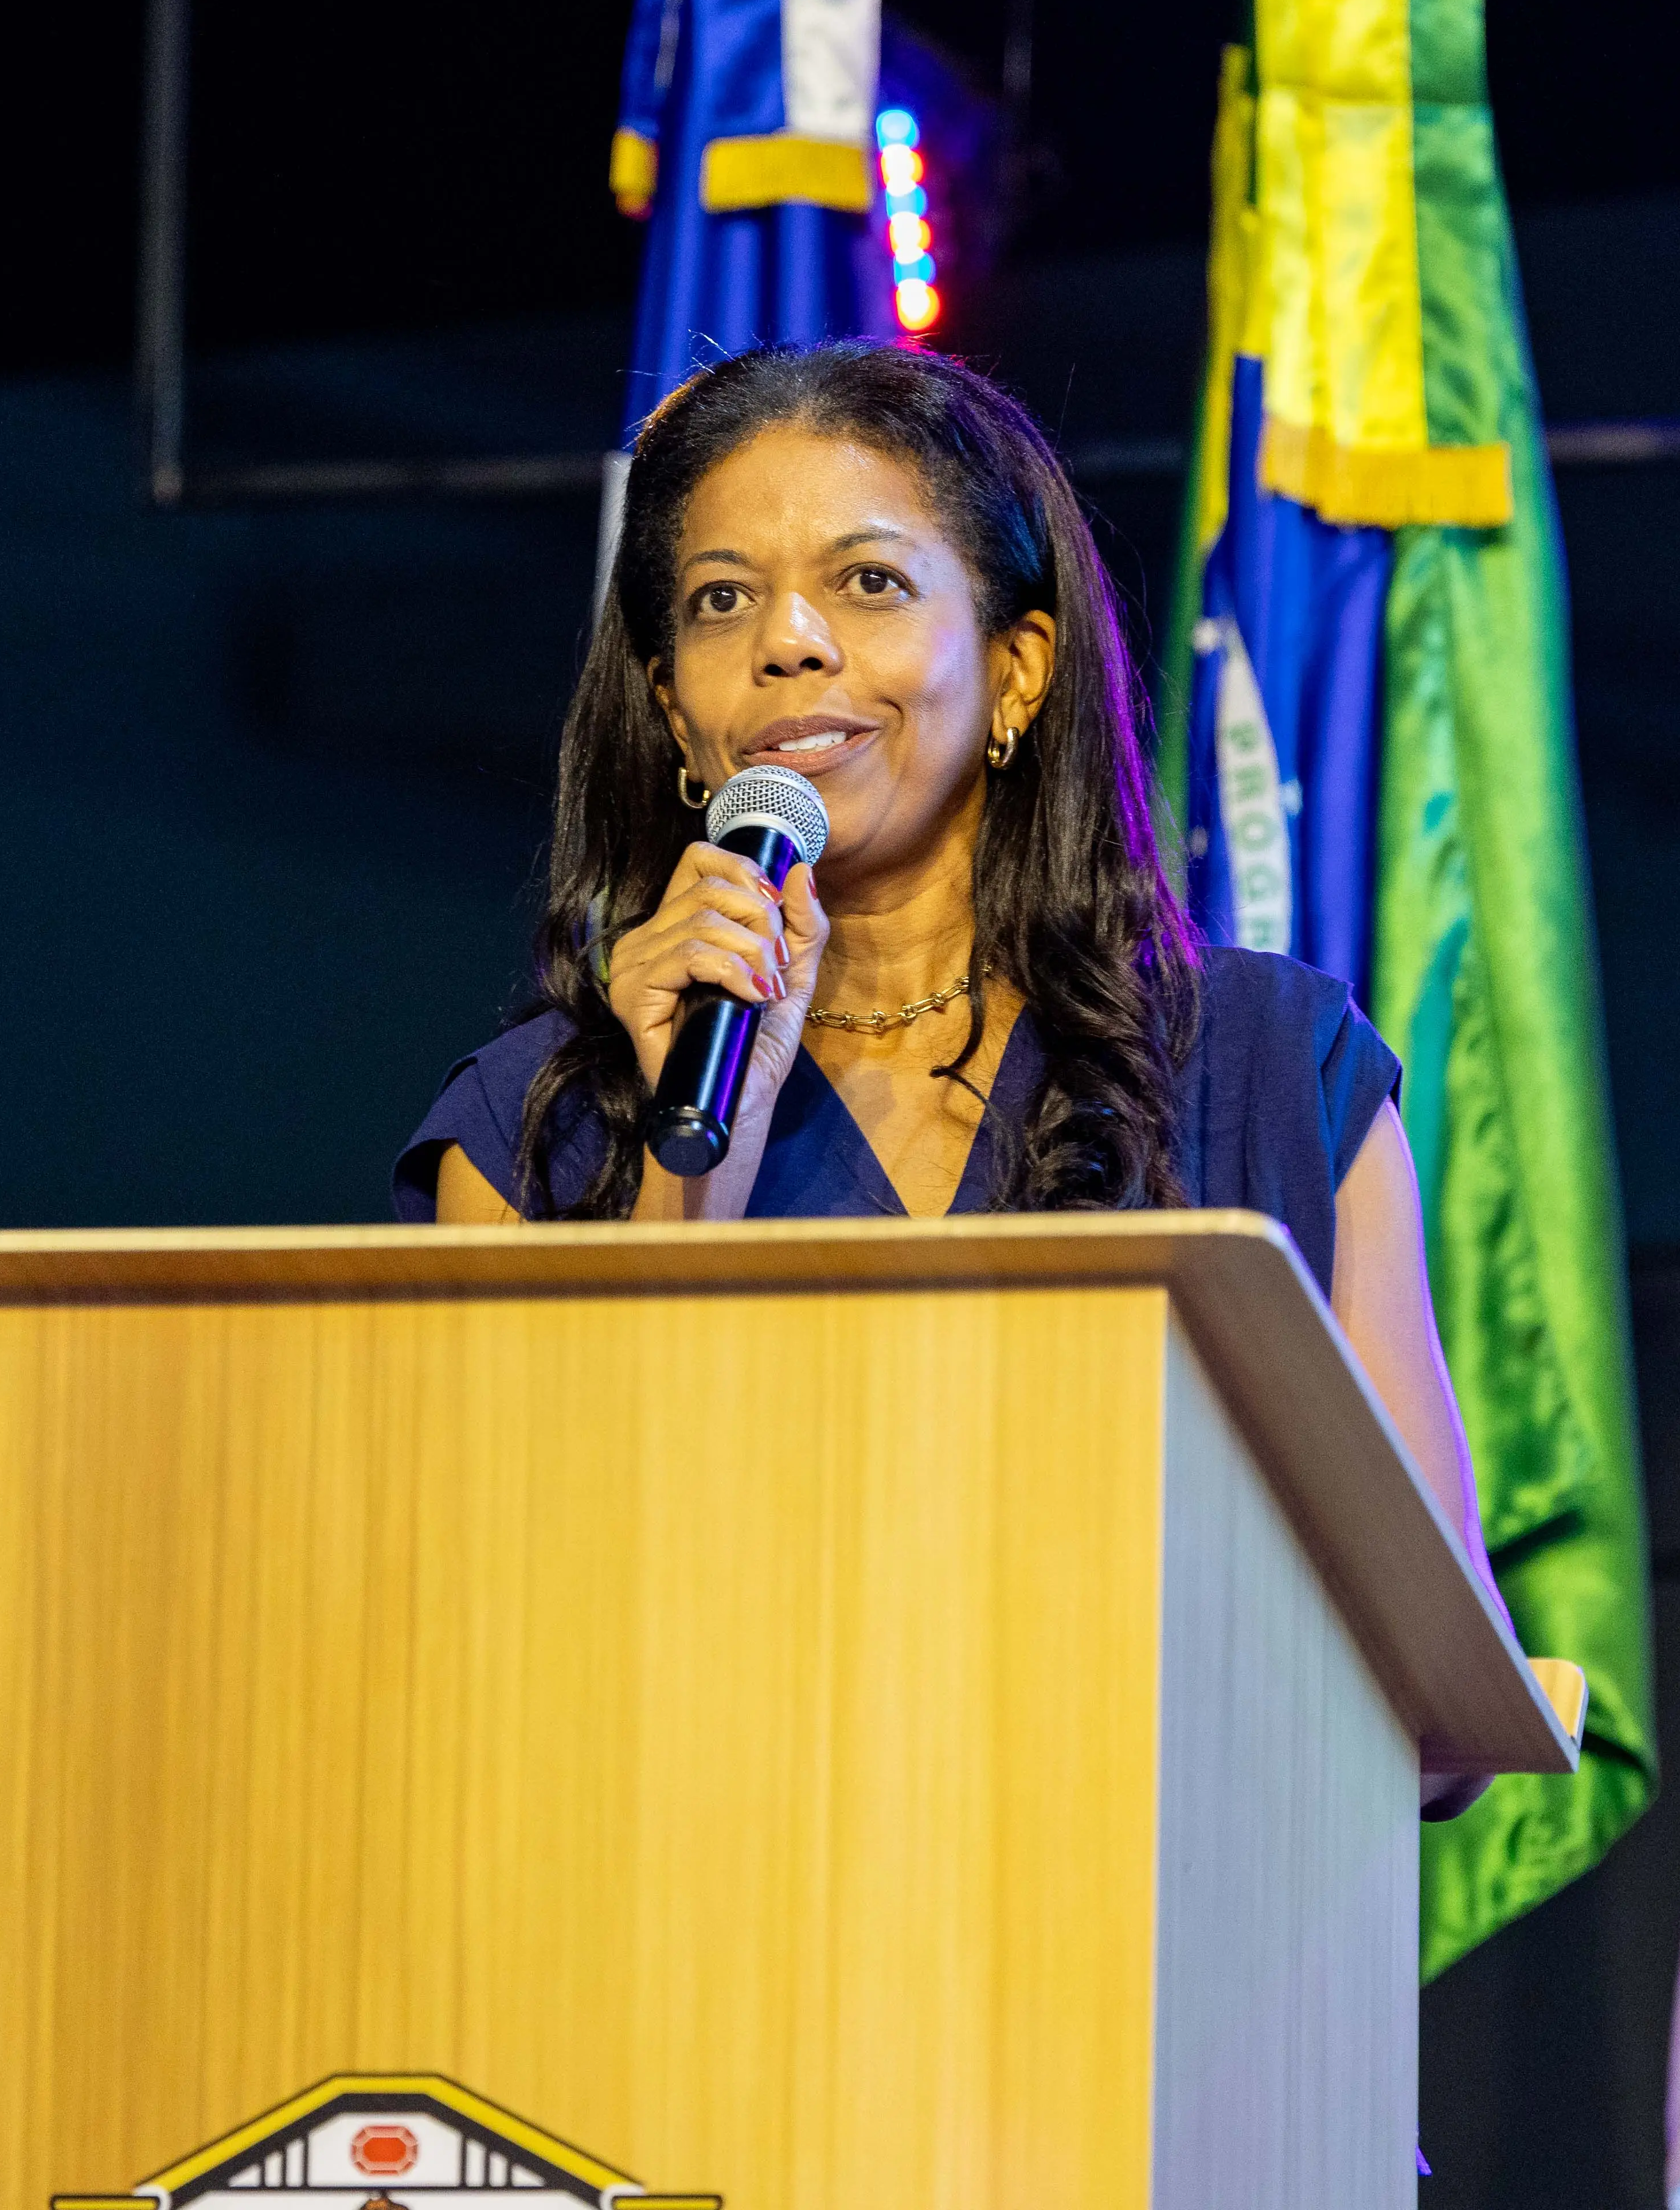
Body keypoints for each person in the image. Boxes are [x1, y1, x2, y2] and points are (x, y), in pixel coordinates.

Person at [394, 343, 1502, 1785]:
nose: (790, 639)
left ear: (1017, 671)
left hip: (1162, 1930)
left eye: (868, 581)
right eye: (723, 599)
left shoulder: (1270, 1069)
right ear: (678, 716)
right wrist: (698, 1161)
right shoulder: (535, 1130)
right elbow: (510, 1639)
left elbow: (1439, 1708)